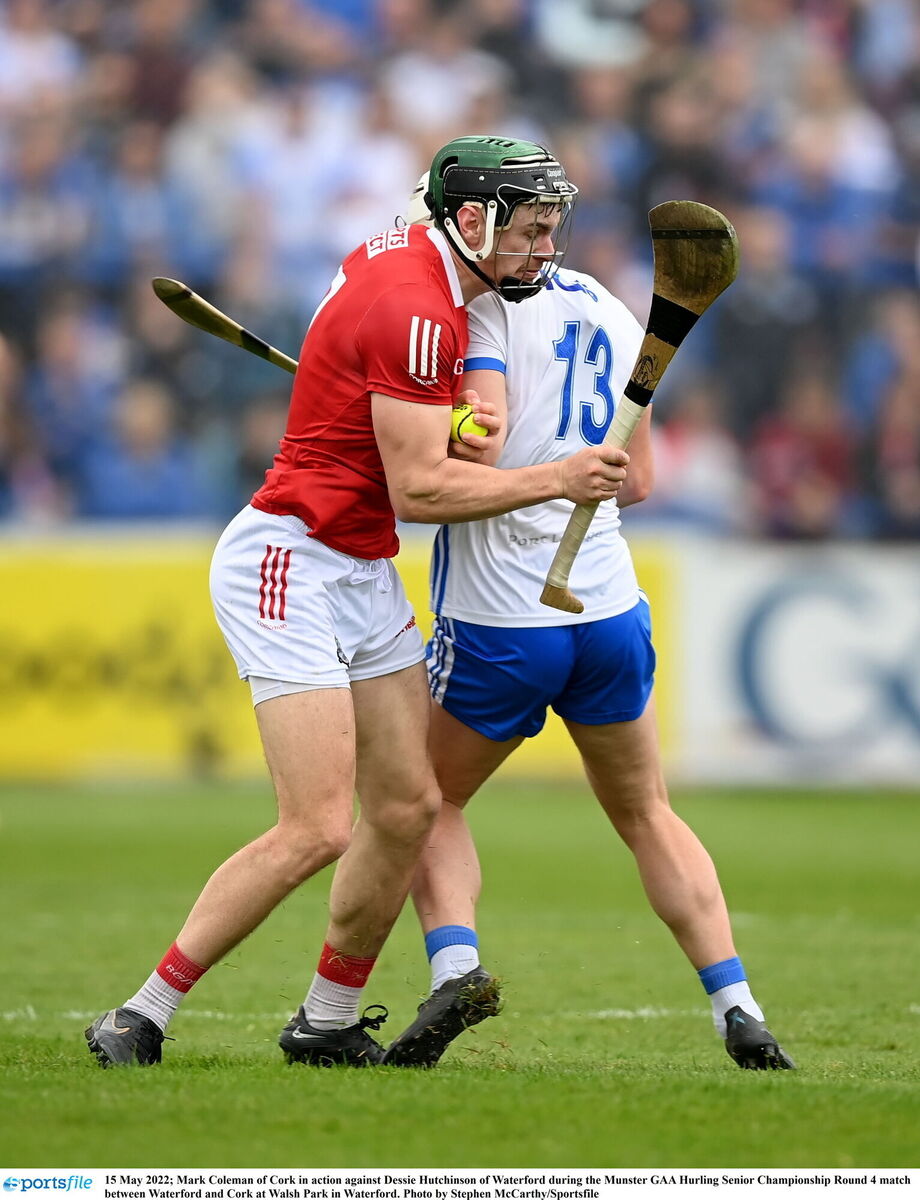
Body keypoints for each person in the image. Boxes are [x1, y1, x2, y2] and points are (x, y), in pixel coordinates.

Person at [84, 134, 632, 1068]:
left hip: (362, 563)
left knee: (411, 804)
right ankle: (141, 1012)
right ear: (470, 221)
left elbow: (412, 429)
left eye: (552, 232)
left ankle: (327, 1022)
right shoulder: (420, 306)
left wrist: (452, 419)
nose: (545, 253)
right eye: (531, 234)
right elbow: (422, 490)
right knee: (315, 826)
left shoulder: (418, 268)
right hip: (289, 559)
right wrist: (560, 474)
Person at [378, 176, 796, 1072]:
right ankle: (739, 1007)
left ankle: (458, 968)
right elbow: (635, 479)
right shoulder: (606, 306)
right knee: (647, 811)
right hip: (606, 611)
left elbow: (476, 449)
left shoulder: (477, 318)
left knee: (428, 800)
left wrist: (420, 422)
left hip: (499, 623)